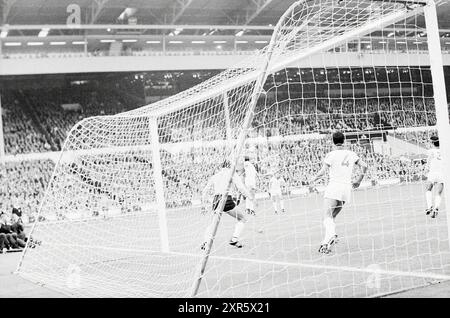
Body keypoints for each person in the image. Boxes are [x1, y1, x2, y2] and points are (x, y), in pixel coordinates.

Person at [311, 131, 368, 254]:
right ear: (344, 141)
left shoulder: (331, 154)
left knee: (327, 216)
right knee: (332, 217)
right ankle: (325, 244)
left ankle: (332, 236)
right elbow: (364, 165)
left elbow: (322, 171)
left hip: (334, 187)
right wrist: (358, 180)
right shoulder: (351, 154)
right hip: (346, 189)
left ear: (333, 141)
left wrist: (313, 179)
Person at [201, 159, 252, 249]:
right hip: (226, 199)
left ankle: (205, 242)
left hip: (216, 199)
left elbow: (204, 191)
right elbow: (241, 187)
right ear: (230, 166)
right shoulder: (231, 173)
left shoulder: (215, 175)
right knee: (242, 218)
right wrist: (250, 197)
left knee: (213, 224)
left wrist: (203, 205)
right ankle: (234, 239)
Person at [425, 135, 444, 218]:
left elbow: (428, 160)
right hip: (441, 173)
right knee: (439, 192)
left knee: (428, 188)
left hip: (433, 172)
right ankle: (436, 208)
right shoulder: (443, 150)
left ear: (432, 143)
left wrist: (426, 168)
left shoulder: (431, 151)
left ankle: (429, 206)